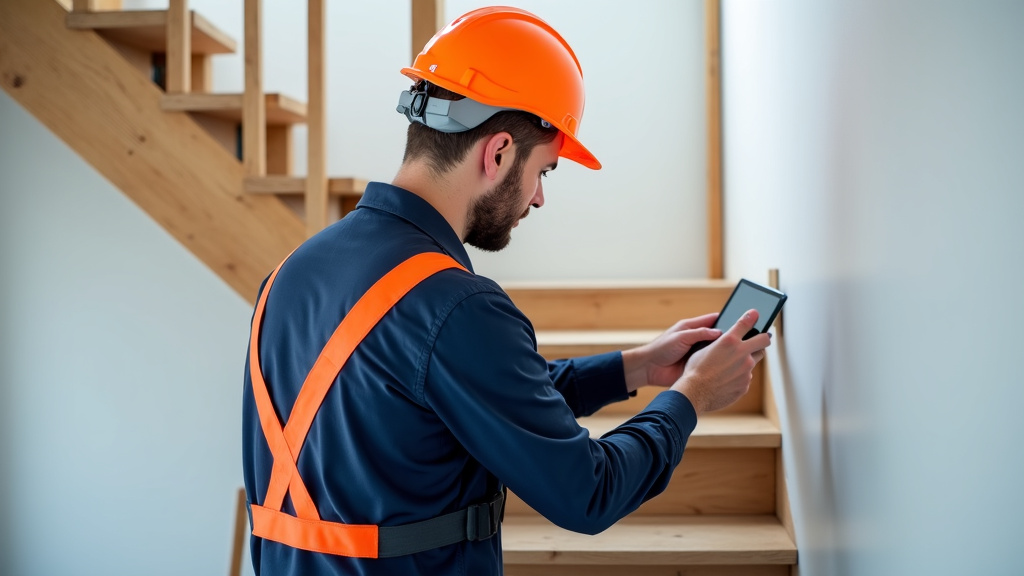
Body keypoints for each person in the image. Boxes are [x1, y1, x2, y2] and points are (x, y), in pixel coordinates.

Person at [242, 6, 771, 575]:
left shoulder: (287, 275)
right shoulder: (456, 305)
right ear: (497, 153)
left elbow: (473, 394)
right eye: (543, 170)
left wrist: (635, 368)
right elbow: (589, 492)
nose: (539, 198)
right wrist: (691, 396)